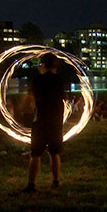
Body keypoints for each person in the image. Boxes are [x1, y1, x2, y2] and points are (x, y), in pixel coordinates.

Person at [24, 53, 66, 193]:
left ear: (43, 65)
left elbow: (33, 97)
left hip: (40, 120)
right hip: (55, 121)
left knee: (35, 154)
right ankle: (56, 181)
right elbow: (63, 97)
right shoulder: (60, 80)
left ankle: (31, 185)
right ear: (56, 65)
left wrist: (41, 74)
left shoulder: (37, 80)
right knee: (54, 153)